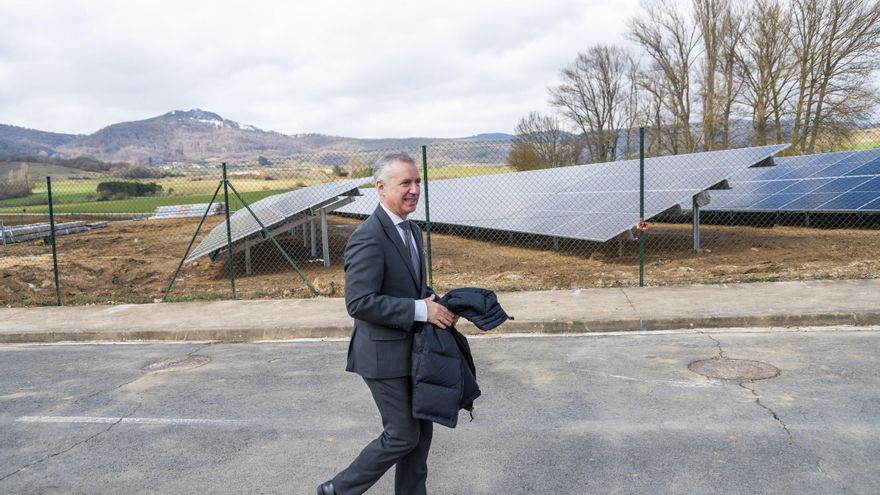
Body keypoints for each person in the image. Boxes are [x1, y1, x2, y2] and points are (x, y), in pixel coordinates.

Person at [317, 153, 457, 495]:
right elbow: (360, 302)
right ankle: (337, 490)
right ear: (380, 188)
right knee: (403, 435)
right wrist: (420, 310)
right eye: (405, 183)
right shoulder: (368, 237)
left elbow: (408, 287)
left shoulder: (411, 229)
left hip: (413, 351)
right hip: (381, 357)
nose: (414, 190)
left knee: (420, 436)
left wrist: (434, 301)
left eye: (417, 182)